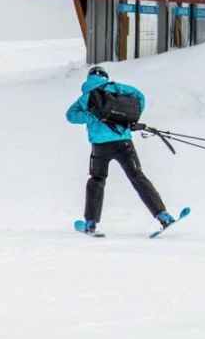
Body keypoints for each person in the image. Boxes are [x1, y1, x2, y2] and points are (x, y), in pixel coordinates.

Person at [66, 65, 175, 233]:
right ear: (105, 77)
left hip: (100, 147)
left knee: (97, 180)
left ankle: (90, 223)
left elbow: (70, 116)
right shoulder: (116, 88)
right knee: (137, 176)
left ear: (89, 78)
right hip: (123, 142)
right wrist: (129, 118)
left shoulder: (86, 97)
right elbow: (139, 97)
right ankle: (163, 215)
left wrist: (92, 116)